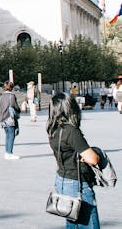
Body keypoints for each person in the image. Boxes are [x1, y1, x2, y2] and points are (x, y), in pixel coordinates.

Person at [48, 91, 102, 228]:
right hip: (77, 183)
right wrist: (97, 153)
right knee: (89, 223)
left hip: (62, 180)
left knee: (72, 222)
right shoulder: (71, 131)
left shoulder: (53, 129)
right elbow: (92, 159)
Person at [0, 80, 21, 160]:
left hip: (3, 118)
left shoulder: (2, 96)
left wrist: (0, 118)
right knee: (11, 136)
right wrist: (19, 110)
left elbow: (0, 107)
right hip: (9, 118)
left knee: (8, 135)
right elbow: (14, 106)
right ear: (11, 88)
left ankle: (7, 152)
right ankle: (9, 153)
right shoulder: (11, 96)